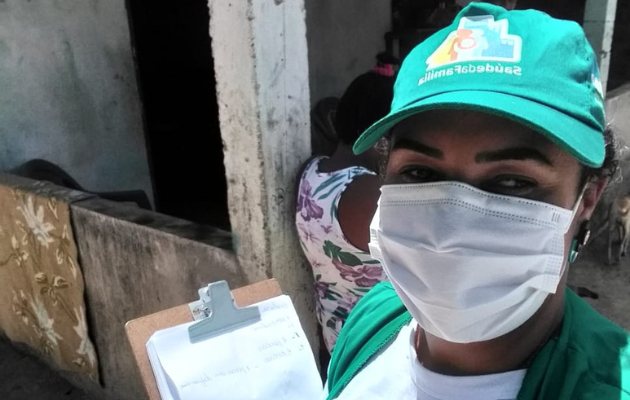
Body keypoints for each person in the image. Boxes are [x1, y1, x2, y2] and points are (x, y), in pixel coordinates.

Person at [323, 3, 630, 400]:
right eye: (420, 172)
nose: (451, 226)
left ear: (587, 197)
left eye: (512, 181)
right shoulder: (374, 318)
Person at [296, 59, 395, 354]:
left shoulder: (311, 171)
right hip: (376, 343)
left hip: (336, 337)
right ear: (382, 137)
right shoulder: (369, 195)